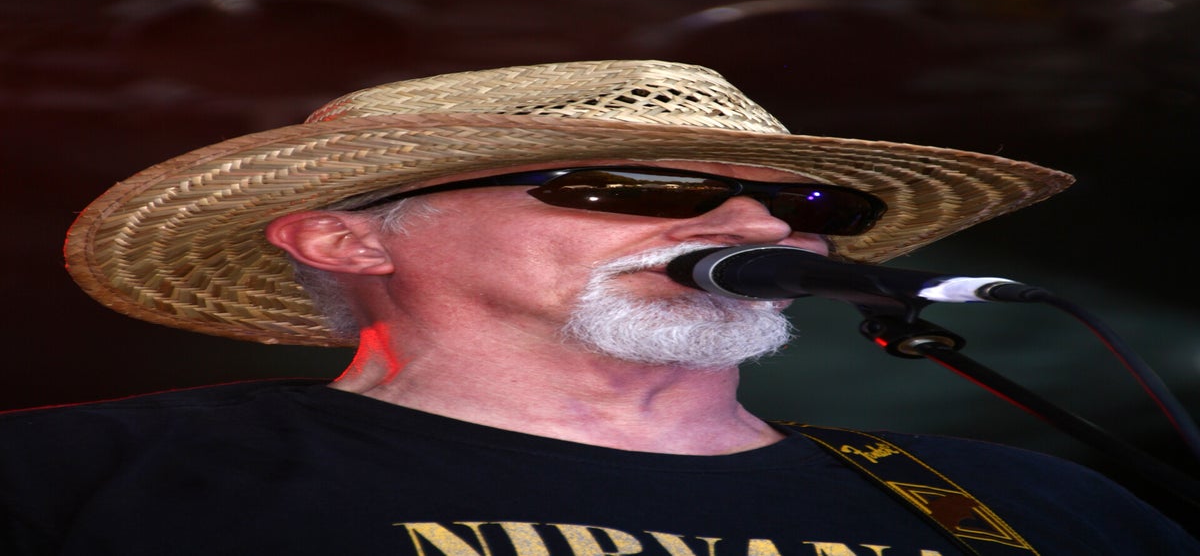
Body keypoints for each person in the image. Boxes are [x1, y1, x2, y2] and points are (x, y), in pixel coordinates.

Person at [2, 60, 1196, 555]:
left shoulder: (1037, 503)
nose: (756, 227)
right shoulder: (78, 480)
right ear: (347, 237)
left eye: (809, 203)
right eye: (637, 186)